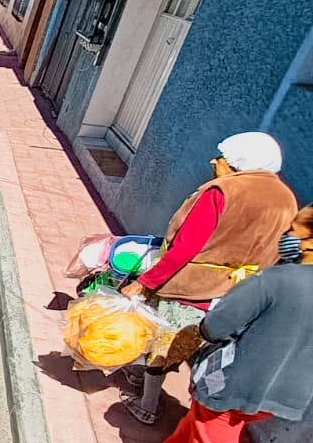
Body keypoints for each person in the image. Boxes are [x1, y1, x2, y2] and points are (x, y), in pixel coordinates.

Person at [128, 209, 313, 443]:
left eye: (293, 229)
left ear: (307, 239)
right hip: (282, 396)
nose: (286, 235)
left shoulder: (274, 281)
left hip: (238, 384)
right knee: (202, 427)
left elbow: (215, 327)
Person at [120, 131, 296, 424]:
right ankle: (145, 380)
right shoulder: (286, 200)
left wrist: (144, 282)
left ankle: (147, 406)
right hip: (239, 292)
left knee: (166, 344)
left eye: (222, 158)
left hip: (195, 288)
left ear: (239, 164)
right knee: (193, 345)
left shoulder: (222, 192)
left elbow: (184, 248)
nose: (214, 161)